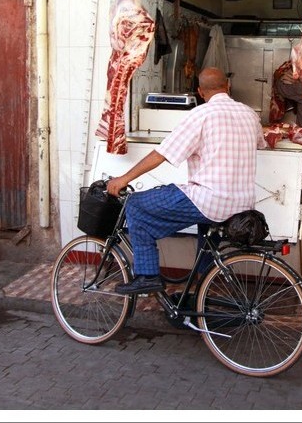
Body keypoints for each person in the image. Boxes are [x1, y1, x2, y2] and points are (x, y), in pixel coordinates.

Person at [106, 67, 267, 294]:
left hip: (211, 200)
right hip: (242, 205)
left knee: (135, 204)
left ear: (200, 92)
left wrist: (124, 178)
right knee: (206, 233)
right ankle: (202, 291)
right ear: (228, 87)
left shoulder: (201, 115)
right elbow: (261, 143)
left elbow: (162, 154)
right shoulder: (250, 114)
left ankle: (147, 276)